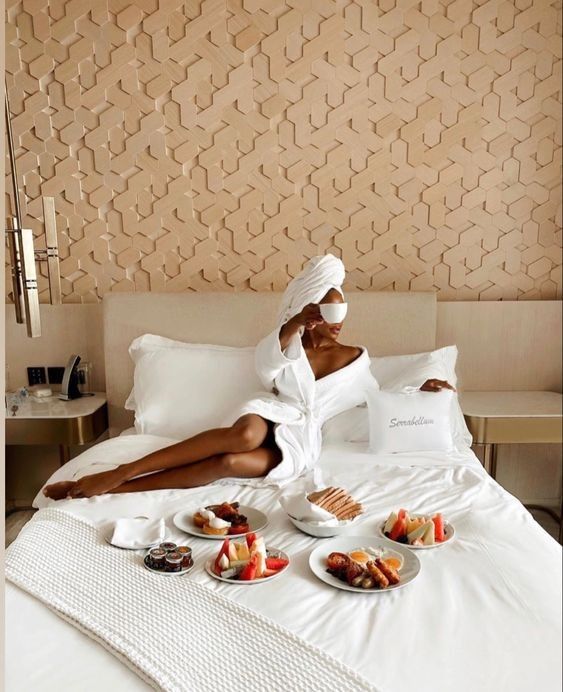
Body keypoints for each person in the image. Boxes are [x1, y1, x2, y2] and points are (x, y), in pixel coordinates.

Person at [44, 255, 453, 500]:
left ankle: (115, 489)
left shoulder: (358, 360)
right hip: (271, 413)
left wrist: (418, 391)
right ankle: (121, 470)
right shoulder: (286, 346)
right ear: (311, 313)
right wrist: (293, 325)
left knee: (229, 462)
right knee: (244, 436)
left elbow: (375, 405)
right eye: (328, 312)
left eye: (342, 311)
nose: (338, 322)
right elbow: (265, 367)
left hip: (300, 438)